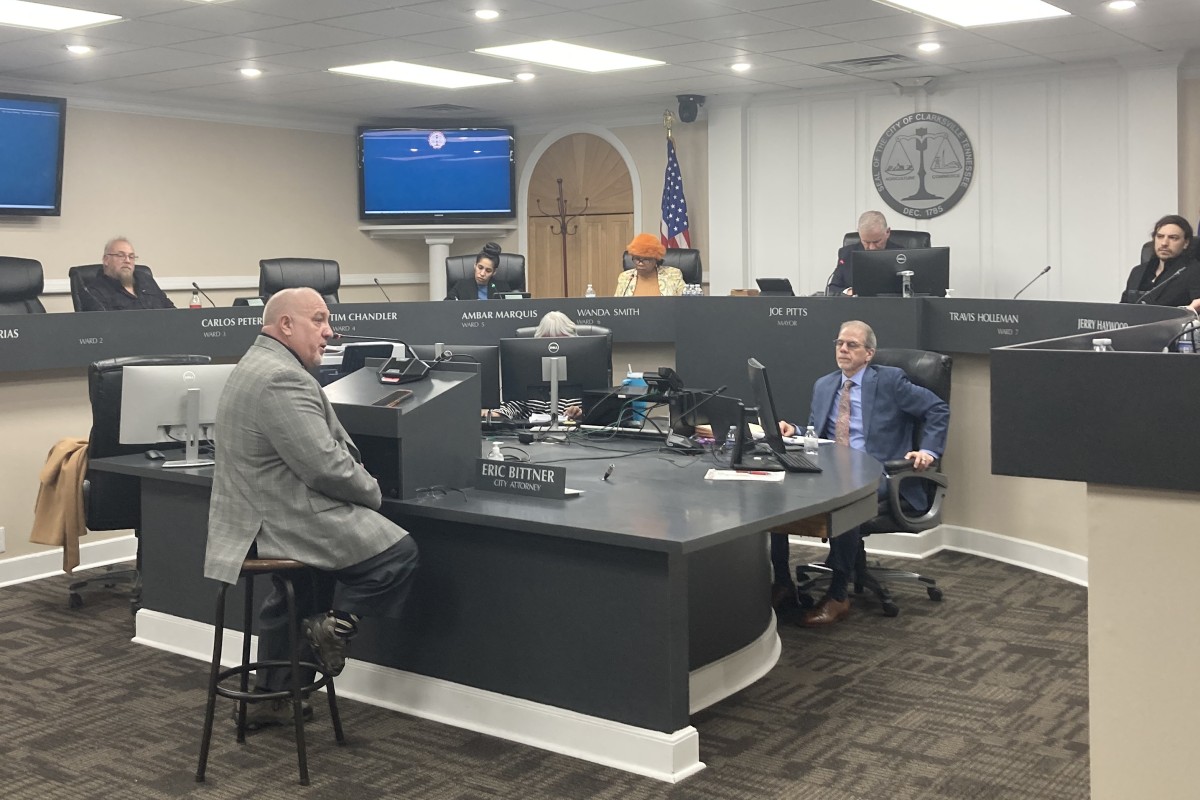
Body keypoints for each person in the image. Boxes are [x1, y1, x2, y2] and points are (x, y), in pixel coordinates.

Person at [203, 287, 419, 727]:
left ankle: (270, 697)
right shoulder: (282, 377)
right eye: (318, 320)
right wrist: (373, 491)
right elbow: (325, 467)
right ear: (286, 324)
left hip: (250, 517)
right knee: (398, 553)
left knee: (300, 589)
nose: (329, 331)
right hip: (274, 520)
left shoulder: (256, 365)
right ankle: (333, 629)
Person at [773, 320, 948, 627]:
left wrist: (929, 451)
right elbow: (819, 433)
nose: (843, 349)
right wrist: (795, 430)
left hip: (880, 473)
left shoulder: (891, 381)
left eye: (852, 345)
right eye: (840, 343)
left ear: (869, 354)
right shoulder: (824, 385)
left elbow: (936, 409)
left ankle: (839, 595)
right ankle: (783, 583)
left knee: (845, 500)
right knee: (778, 493)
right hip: (829, 468)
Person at [495, 310, 584, 421]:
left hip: (577, 434)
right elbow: (514, 406)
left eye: (561, 340)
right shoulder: (525, 371)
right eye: (547, 340)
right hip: (532, 434)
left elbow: (596, 409)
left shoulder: (585, 369)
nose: (554, 349)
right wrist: (495, 414)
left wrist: (580, 413)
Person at [1121, 214, 1200, 306]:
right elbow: (1122, 308)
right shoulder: (1137, 272)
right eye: (1160, 236)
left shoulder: (1194, 271)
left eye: (1173, 238)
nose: (1164, 243)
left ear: (1186, 243)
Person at [78, 237, 175, 311]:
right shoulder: (95, 292)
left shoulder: (146, 280)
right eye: (121, 255)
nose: (127, 260)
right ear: (106, 260)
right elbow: (106, 328)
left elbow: (172, 312)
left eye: (131, 256)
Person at [828, 211, 903, 296]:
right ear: (859, 234)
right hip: (856, 307)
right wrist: (849, 292)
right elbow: (833, 289)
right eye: (866, 242)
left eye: (877, 242)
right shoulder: (846, 254)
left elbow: (912, 290)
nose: (871, 248)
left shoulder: (901, 255)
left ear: (888, 232)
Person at [614, 233, 686, 297]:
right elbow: (617, 306)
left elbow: (687, 302)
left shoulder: (673, 274)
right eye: (637, 258)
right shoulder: (625, 277)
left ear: (656, 259)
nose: (640, 263)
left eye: (646, 259)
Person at [446, 241, 511, 300]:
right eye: (480, 268)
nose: (482, 274)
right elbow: (446, 305)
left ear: (494, 272)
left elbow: (513, 308)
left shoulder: (502, 288)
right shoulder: (461, 286)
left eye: (488, 271)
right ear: (475, 265)